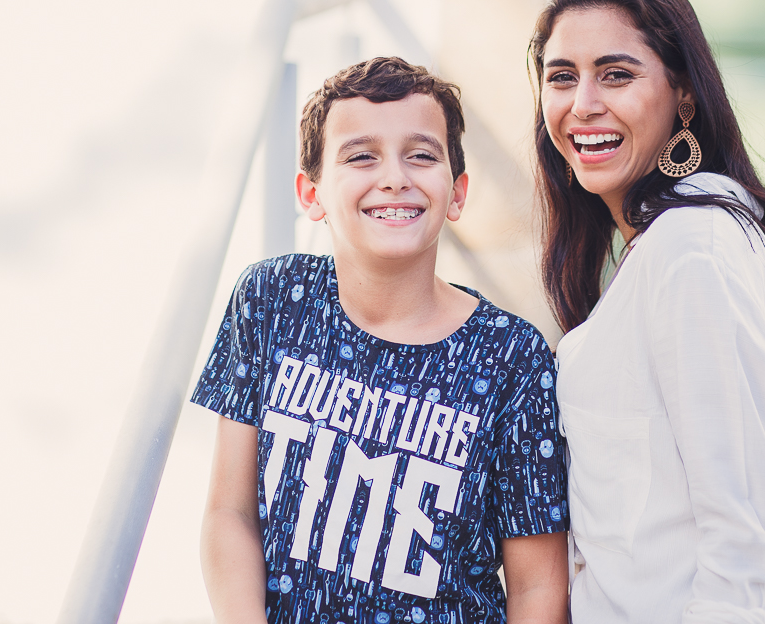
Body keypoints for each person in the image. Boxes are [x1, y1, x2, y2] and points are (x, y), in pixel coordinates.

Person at [530, 0, 765, 624]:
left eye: (616, 74)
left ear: (682, 94)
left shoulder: (691, 254)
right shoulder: (665, 249)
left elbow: (743, 548)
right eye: (562, 77)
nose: (583, 103)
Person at [194, 56, 570, 624]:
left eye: (421, 155)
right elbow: (230, 513)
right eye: (361, 156)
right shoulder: (271, 300)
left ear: (458, 192)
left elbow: (538, 587)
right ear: (311, 192)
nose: (394, 177)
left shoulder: (513, 360)